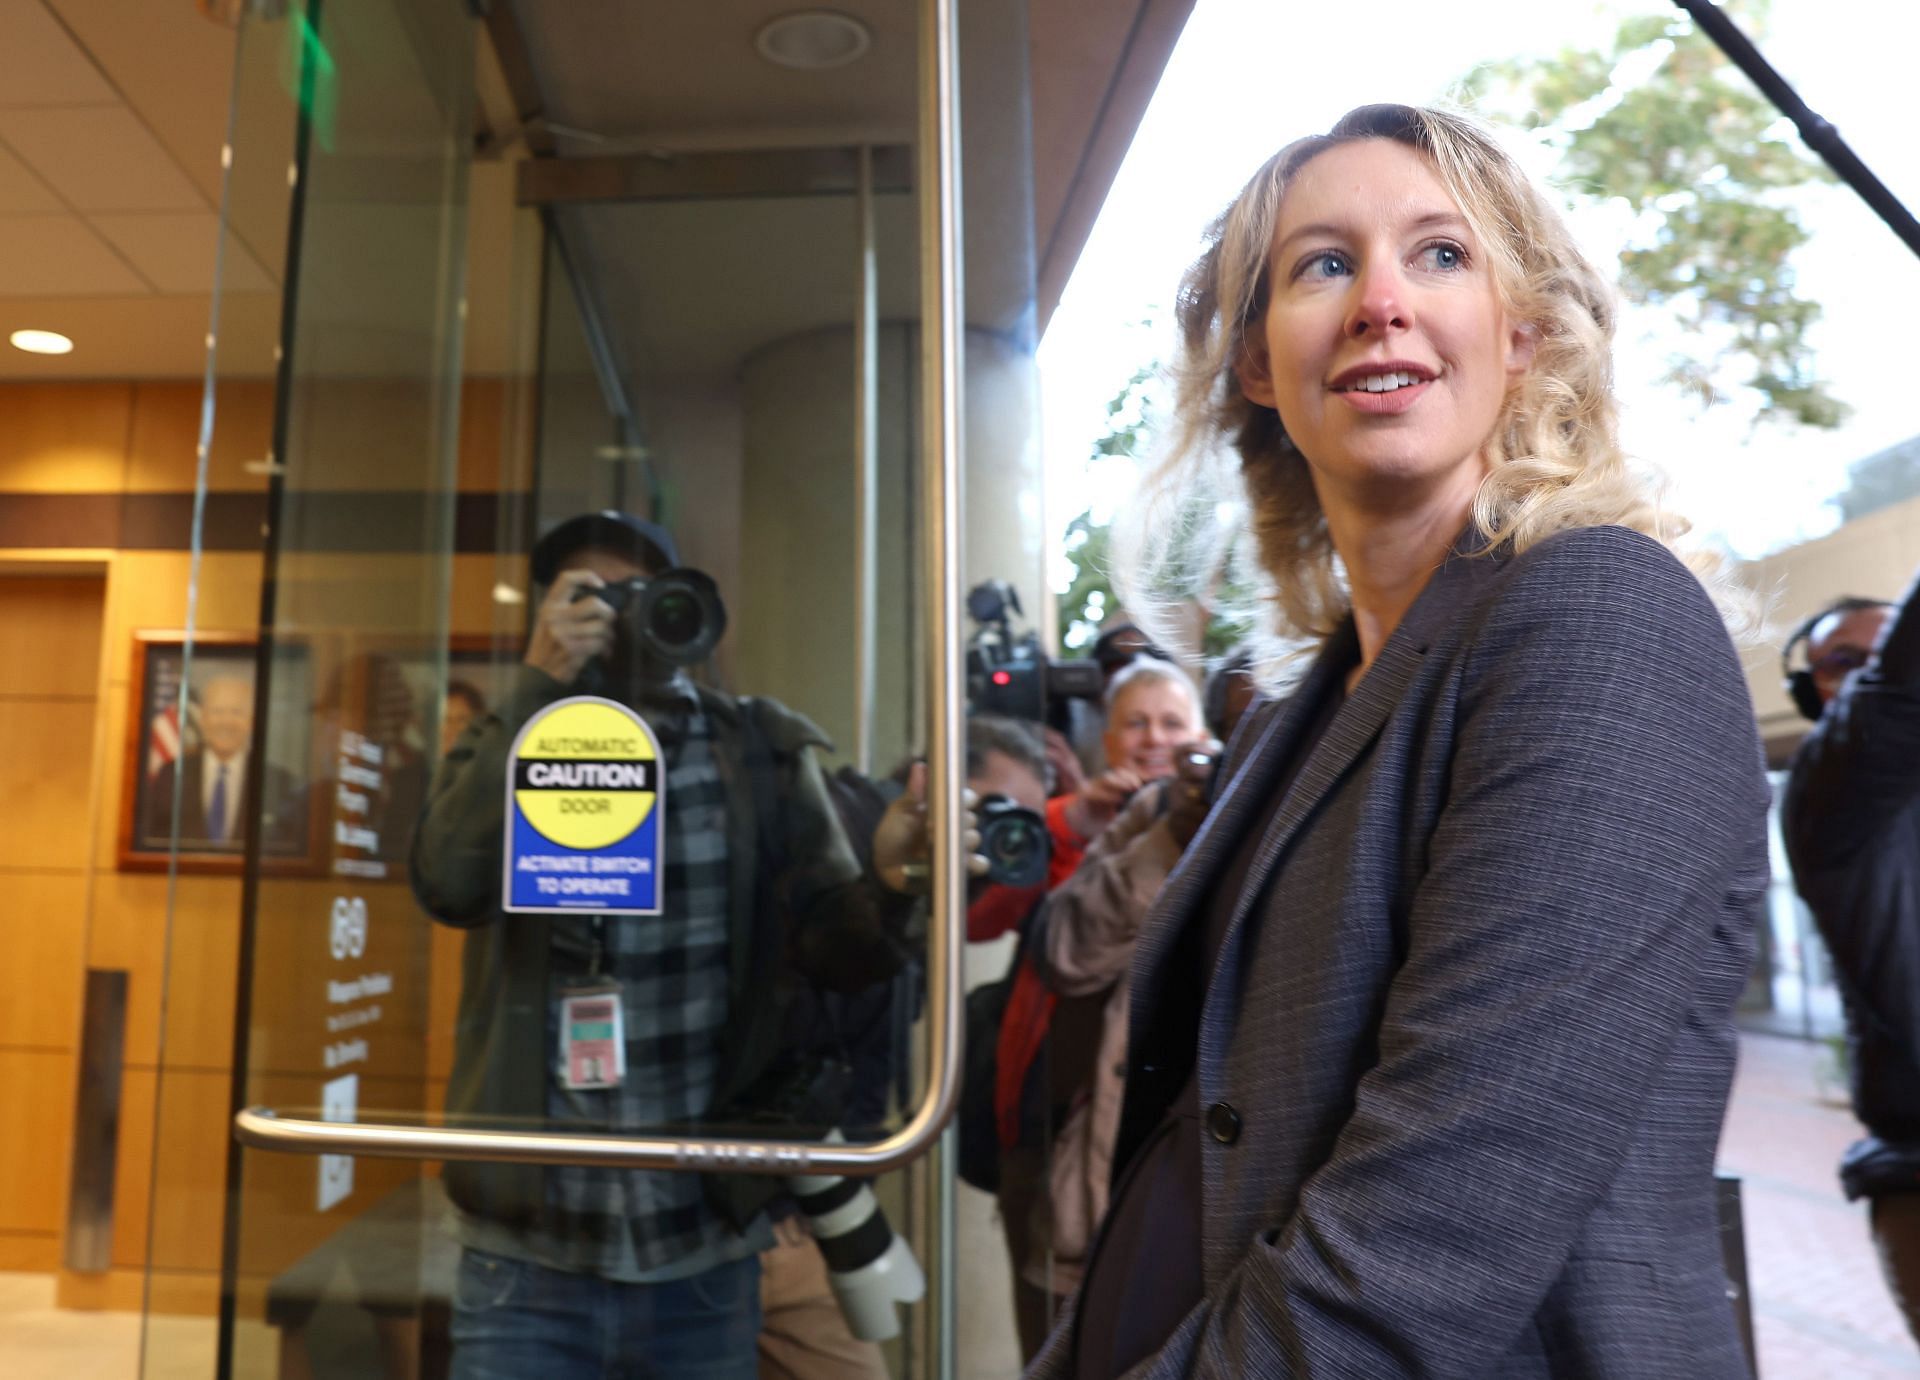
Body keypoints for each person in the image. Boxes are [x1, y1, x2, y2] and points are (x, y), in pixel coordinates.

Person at [1029, 104, 1769, 1379]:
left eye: (1440, 256)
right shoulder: (1304, 704)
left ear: (1522, 333)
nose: (1381, 300)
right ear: (1258, 360)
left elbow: (1424, 1248)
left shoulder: (1597, 614)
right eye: (1323, 264)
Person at [411, 510, 905, 1380]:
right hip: (527, 1252)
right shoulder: (518, 740)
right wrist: (537, 687)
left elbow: (841, 954)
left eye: (649, 595)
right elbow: (448, 885)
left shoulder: (754, 748)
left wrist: (896, 886)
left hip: (700, 1251)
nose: (626, 615)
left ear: (688, 611)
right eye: (595, 598)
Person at [1028, 662, 1210, 1314]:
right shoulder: (1118, 818)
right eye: (1136, 723)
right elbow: (1061, 949)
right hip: (1084, 1143)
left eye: (1172, 723)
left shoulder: (1250, 808)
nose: (1155, 739)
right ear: (1107, 741)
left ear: (1204, 738)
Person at [1780, 588, 1920, 1343]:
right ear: (1814, 693)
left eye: (1885, 648)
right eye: (1845, 662)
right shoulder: (1825, 798)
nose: (1868, 673)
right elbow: (1897, 700)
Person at [148, 672, 303, 851]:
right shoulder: (171, 775)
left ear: (251, 721)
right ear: (203, 719)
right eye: (217, 711)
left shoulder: (280, 782)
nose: (226, 721)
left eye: (236, 712)